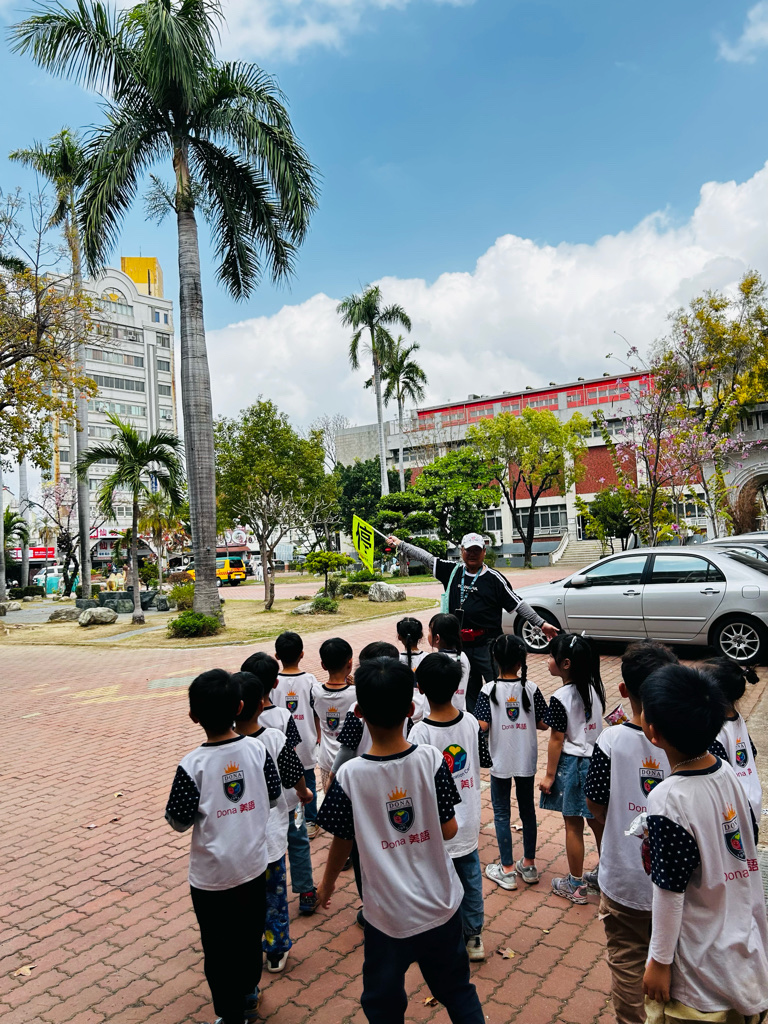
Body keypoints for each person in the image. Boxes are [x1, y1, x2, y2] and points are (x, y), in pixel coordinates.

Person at [315, 657, 485, 1024]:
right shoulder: (431, 760)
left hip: (386, 917)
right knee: (458, 991)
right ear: (410, 709)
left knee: (383, 1003)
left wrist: (326, 885)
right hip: (441, 904)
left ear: (359, 712)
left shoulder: (349, 776)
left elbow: (342, 841)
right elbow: (449, 830)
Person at [641, 663, 768, 1024]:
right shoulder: (726, 771)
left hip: (701, 972)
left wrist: (659, 961)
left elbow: (669, 891)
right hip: (745, 950)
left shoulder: (668, 799)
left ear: (653, 732)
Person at [164, 669, 282, 1024]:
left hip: (211, 879)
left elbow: (178, 821)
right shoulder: (258, 750)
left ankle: (230, 1014)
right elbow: (273, 796)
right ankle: (248, 994)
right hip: (253, 867)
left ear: (193, 715)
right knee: (249, 936)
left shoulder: (192, 765)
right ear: (240, 707)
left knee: (218, 948)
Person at [584, 640, 677, 1024]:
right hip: (679, 884)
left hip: (624, 879)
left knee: (626, 960)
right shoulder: (687, 742)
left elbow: (595, 803)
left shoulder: (611, 740)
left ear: (624, 690)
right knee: (674, 958)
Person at [387, 532, 558, 712]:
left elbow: (518, 604)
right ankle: (476, 724)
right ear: (461, 551)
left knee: (497, 686)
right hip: (459, 646)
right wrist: (401, 544)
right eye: (468, 550)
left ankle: (501, 719)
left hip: (488, 646)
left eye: (477, 550)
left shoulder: (494, 578)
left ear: (484, 551)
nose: (472, 554)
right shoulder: (452, 571)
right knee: (468, 690)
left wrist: (541, 623)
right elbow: (426, 558)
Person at [410, 653, 491, 962]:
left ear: (420, 688)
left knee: (437, 880)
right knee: (470, 878)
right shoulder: (471, 722)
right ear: (457, 685)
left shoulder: (419, 733)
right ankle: (474, 936)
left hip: (436, 824)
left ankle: (442, 935)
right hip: (468, 819)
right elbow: (480, 759)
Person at [233, 671, 312, 975]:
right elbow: (293, 774)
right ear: (260, 704)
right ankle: (276, 950)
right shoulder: (275, 738)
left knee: (242, 899)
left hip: (235, 843)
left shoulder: (223, 745)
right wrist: (304, 793)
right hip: (270, 837)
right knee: (274, 896)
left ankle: (244, 950)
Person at [241, 652, 318, 916]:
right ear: (275, 683)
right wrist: (303, 791)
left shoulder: (235, 723)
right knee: (298, 841)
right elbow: (292, 758)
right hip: (290, 799)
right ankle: (306, 892)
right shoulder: (284, 717)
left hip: (255, 802)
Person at [474, 634, 549, 890]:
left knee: (501, 813)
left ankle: (506, 869)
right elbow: (543, 723)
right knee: (528, 811)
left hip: (500, 760)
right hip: (526, 759)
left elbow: (482, 725)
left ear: (494, 658)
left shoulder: (488, 690)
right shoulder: (531, 688)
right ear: (521, 661)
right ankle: (529, 865)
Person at [539, 633, 606, 904]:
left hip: (574, 765)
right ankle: (606, 875)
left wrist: (549, 775)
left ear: (565, 664)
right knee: (598, 822)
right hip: (597, 762)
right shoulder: (594, 688)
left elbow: (556, 739)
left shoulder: (560, 697)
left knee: (573, 825)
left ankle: (576, 885)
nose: (548, 660)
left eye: (551, 656)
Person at [273, 631, 321, 838]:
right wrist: (318, 734)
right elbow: (317, 711)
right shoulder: (310, 681)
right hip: (306, 740)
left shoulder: (273, 682)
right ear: (302, 654)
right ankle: (310, 821)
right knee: (308, 780)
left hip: (281, 744)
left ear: (277, 656)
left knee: (283, 781)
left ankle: (287, 820)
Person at [703, 657, 762, 823]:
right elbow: (752, 752)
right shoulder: (736, 719)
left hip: (733, 811)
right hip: (751, 802)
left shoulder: (715, 732)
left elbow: (714, 777)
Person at [311, 638, 356, 794]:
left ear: (323, 665)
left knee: (330, 800)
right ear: (350, 663)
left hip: (326, 760)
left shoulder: (315, 691)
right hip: (351, 760)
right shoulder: (356, 693)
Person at [428, 613, 471, 712]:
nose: (428, 634)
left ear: (437, 638)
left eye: (430, 631)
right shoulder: (463, 657)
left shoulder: (434, 660)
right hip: (460, 713)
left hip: (437, 715)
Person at [397, 617, 428, 721]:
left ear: (399, 637)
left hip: (403, 715)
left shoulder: (396, 660)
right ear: (421, 636)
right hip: (425, 713)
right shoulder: (428, 658)